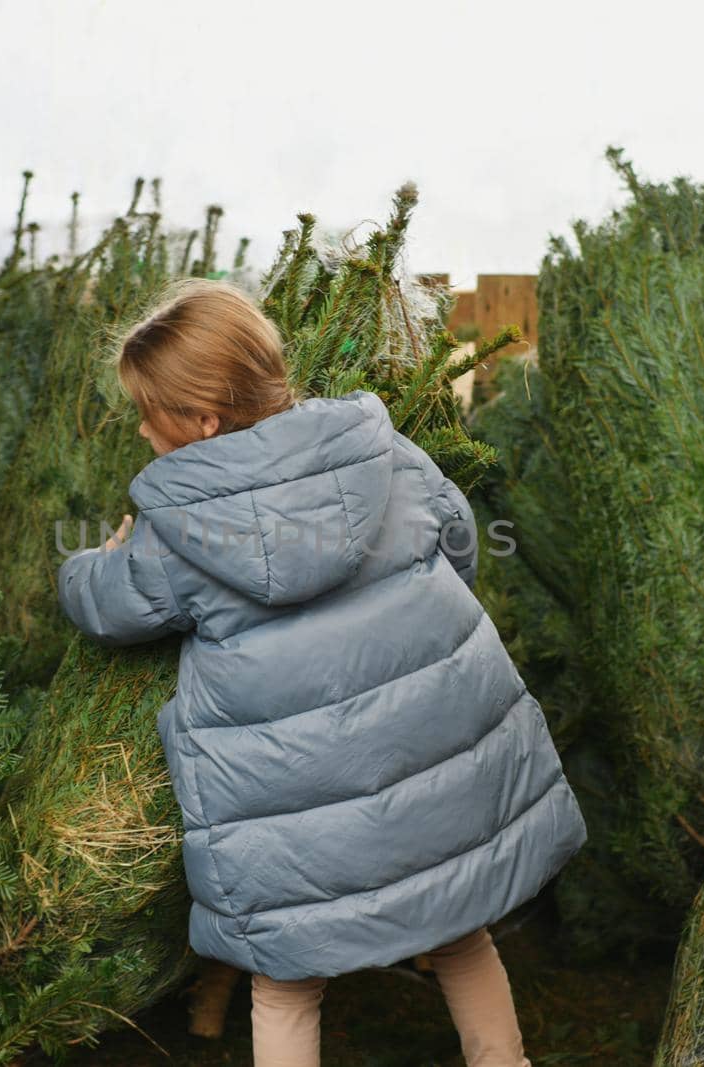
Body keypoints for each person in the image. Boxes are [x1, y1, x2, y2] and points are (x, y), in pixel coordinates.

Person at [56, 278, 586, 1067]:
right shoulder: (380, 451)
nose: (140, 426)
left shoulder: (180, 529)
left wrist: (85, 565)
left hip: (293, 809)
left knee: (286, 977)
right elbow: (458, 536)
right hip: (431, 756)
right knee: (459, 931)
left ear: (203, 421)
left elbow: (113, 605)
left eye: (149, 412)